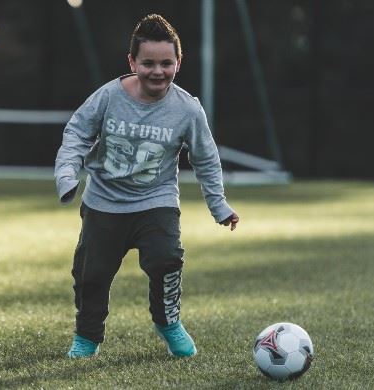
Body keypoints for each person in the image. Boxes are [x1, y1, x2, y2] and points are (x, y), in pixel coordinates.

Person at [55, 14, 239, 358]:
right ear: (132, 62)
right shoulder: (108, 97)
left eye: (166, 63)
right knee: (91, 275)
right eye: (149, 63)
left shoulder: (187, 109)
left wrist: (219, 206)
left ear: (178, 62)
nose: (158, 71)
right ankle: (88, 336)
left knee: (167, 259)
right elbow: (77, 132)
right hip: (104, 203)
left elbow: (206, 159)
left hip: (157, 201)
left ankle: (168, 322)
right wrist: (67, 175)